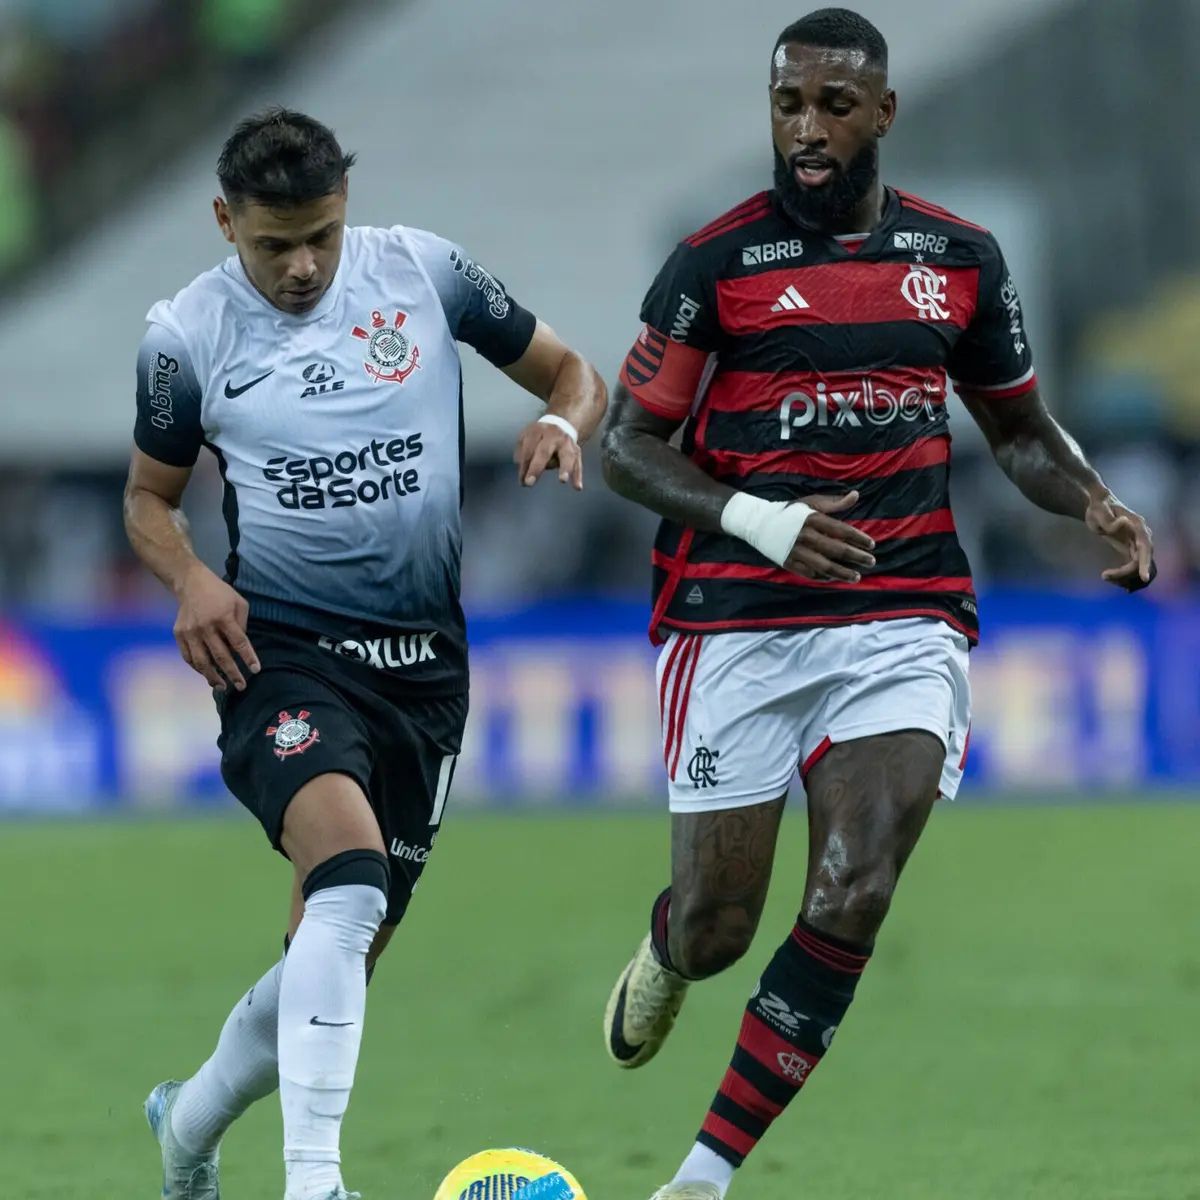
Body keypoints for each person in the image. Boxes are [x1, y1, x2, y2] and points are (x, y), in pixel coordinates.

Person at [598, 10, 1154, 1199]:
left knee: (855, 885)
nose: (806, 129)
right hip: (736, 615)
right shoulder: (714, 267)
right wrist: (762, 518)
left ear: (883, 114)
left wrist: (1094, 500)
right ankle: (665, 947)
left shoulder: (958, 260)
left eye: (833, 106)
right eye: (788, 103)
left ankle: (699, 1176)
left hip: (903, 611)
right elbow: (628, 449)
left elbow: (1014, 426)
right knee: (718, 928)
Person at [124, 108, 606, 1200]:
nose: (300, 267)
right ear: (223, 222)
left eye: (321, 237)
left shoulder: (423, 274)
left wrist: (564, 426)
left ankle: (187, 1126)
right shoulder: (185, 336)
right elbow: (147, 503)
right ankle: (315, 1185)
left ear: (349, 208)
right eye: (272, 244)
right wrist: (191, 575)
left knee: (331, 956)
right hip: (279, 657)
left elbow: (575, 372)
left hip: (427, 675)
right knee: (347, 878)